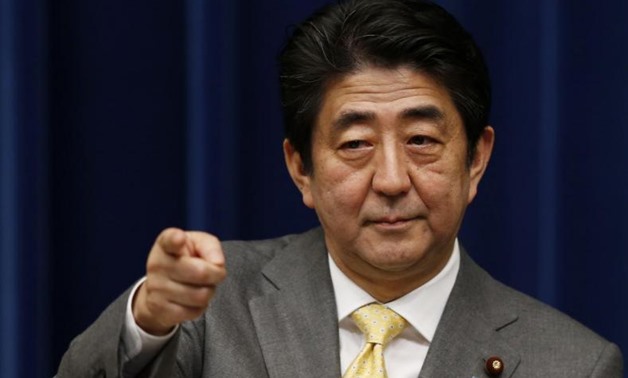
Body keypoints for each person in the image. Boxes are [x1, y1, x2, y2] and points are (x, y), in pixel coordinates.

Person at [56, 0, 624, 377]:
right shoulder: (215, 306)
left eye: (423, 139)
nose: (393, 180)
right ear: (300, 167)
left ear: (475, 159)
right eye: (355, 145)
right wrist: (152, 316)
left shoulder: (574, 363)